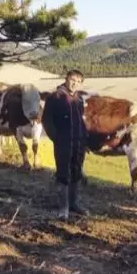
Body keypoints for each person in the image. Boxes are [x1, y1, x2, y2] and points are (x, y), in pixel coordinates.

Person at [41, 69, 88, 220]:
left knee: (76, 171)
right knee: (63, 173)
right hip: (63, 142)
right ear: (66, 79)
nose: (75, 83)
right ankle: (63, 207)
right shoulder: (55, 97)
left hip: (78, 142)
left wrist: (84, 138)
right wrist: (57, 138)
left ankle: (74, 203)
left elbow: (81, 119)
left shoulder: (79, 99)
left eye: (78, 81)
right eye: (73, 79)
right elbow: (47, 121)